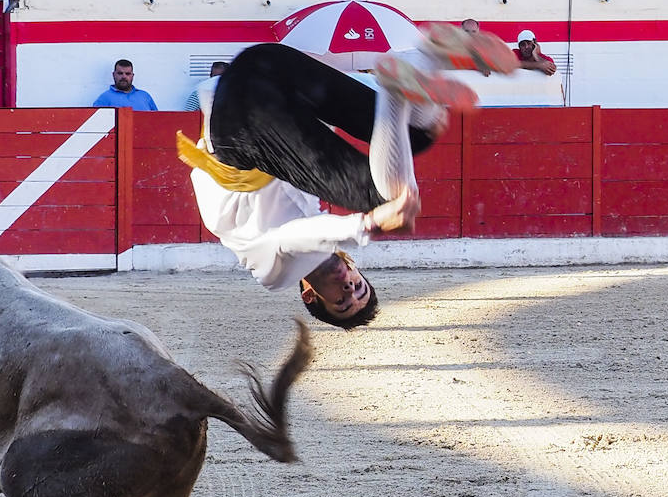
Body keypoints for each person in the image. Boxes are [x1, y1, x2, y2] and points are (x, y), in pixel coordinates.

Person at [179, 26, 518, 328]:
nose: (348, 287)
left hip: (239, 127)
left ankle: (404, 86)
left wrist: (365, 225)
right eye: (359, 287)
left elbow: (296, 236)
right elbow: (317, 135)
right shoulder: (312, 202)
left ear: (310, 296)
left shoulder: (272, 273)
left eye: (341, 300)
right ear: (357, 269)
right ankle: (428, 57)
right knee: (419, 133)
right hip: (270, 67)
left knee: (384, 197)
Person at [93, 59, 158, 110]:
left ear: (132, 76)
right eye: (120, 73)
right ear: (113, 75)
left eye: (127, 74)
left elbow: (157, 121)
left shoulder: (145, 97)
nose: (124, 77)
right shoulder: (104, 99)